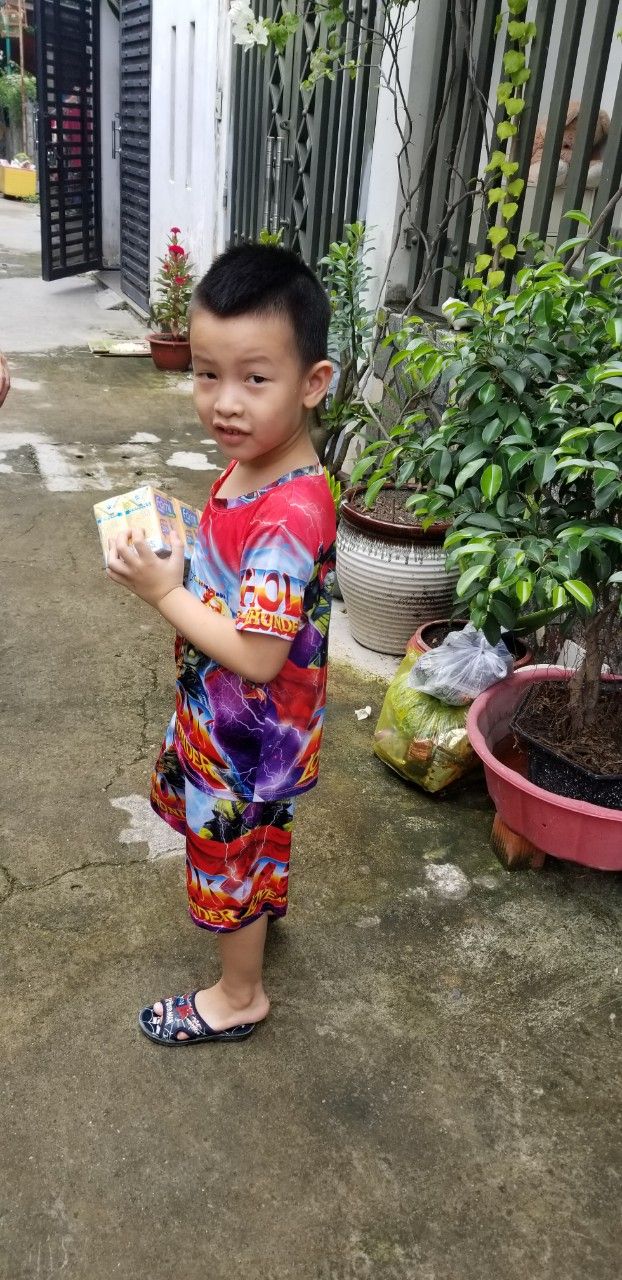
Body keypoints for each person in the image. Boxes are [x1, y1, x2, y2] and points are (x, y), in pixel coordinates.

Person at [106, 242, 336, 1045]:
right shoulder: (256, 464)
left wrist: (163, 592)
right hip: (228, 723)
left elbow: (260, 656)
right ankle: (261, 909)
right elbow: (234, 572)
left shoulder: (288, 516)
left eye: (255, 378)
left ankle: (239, 996)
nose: (225, 403)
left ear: (313, 382)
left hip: (246, 739)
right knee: (252, 846)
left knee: (228, 862)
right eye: (207, 374)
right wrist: (184, 549)